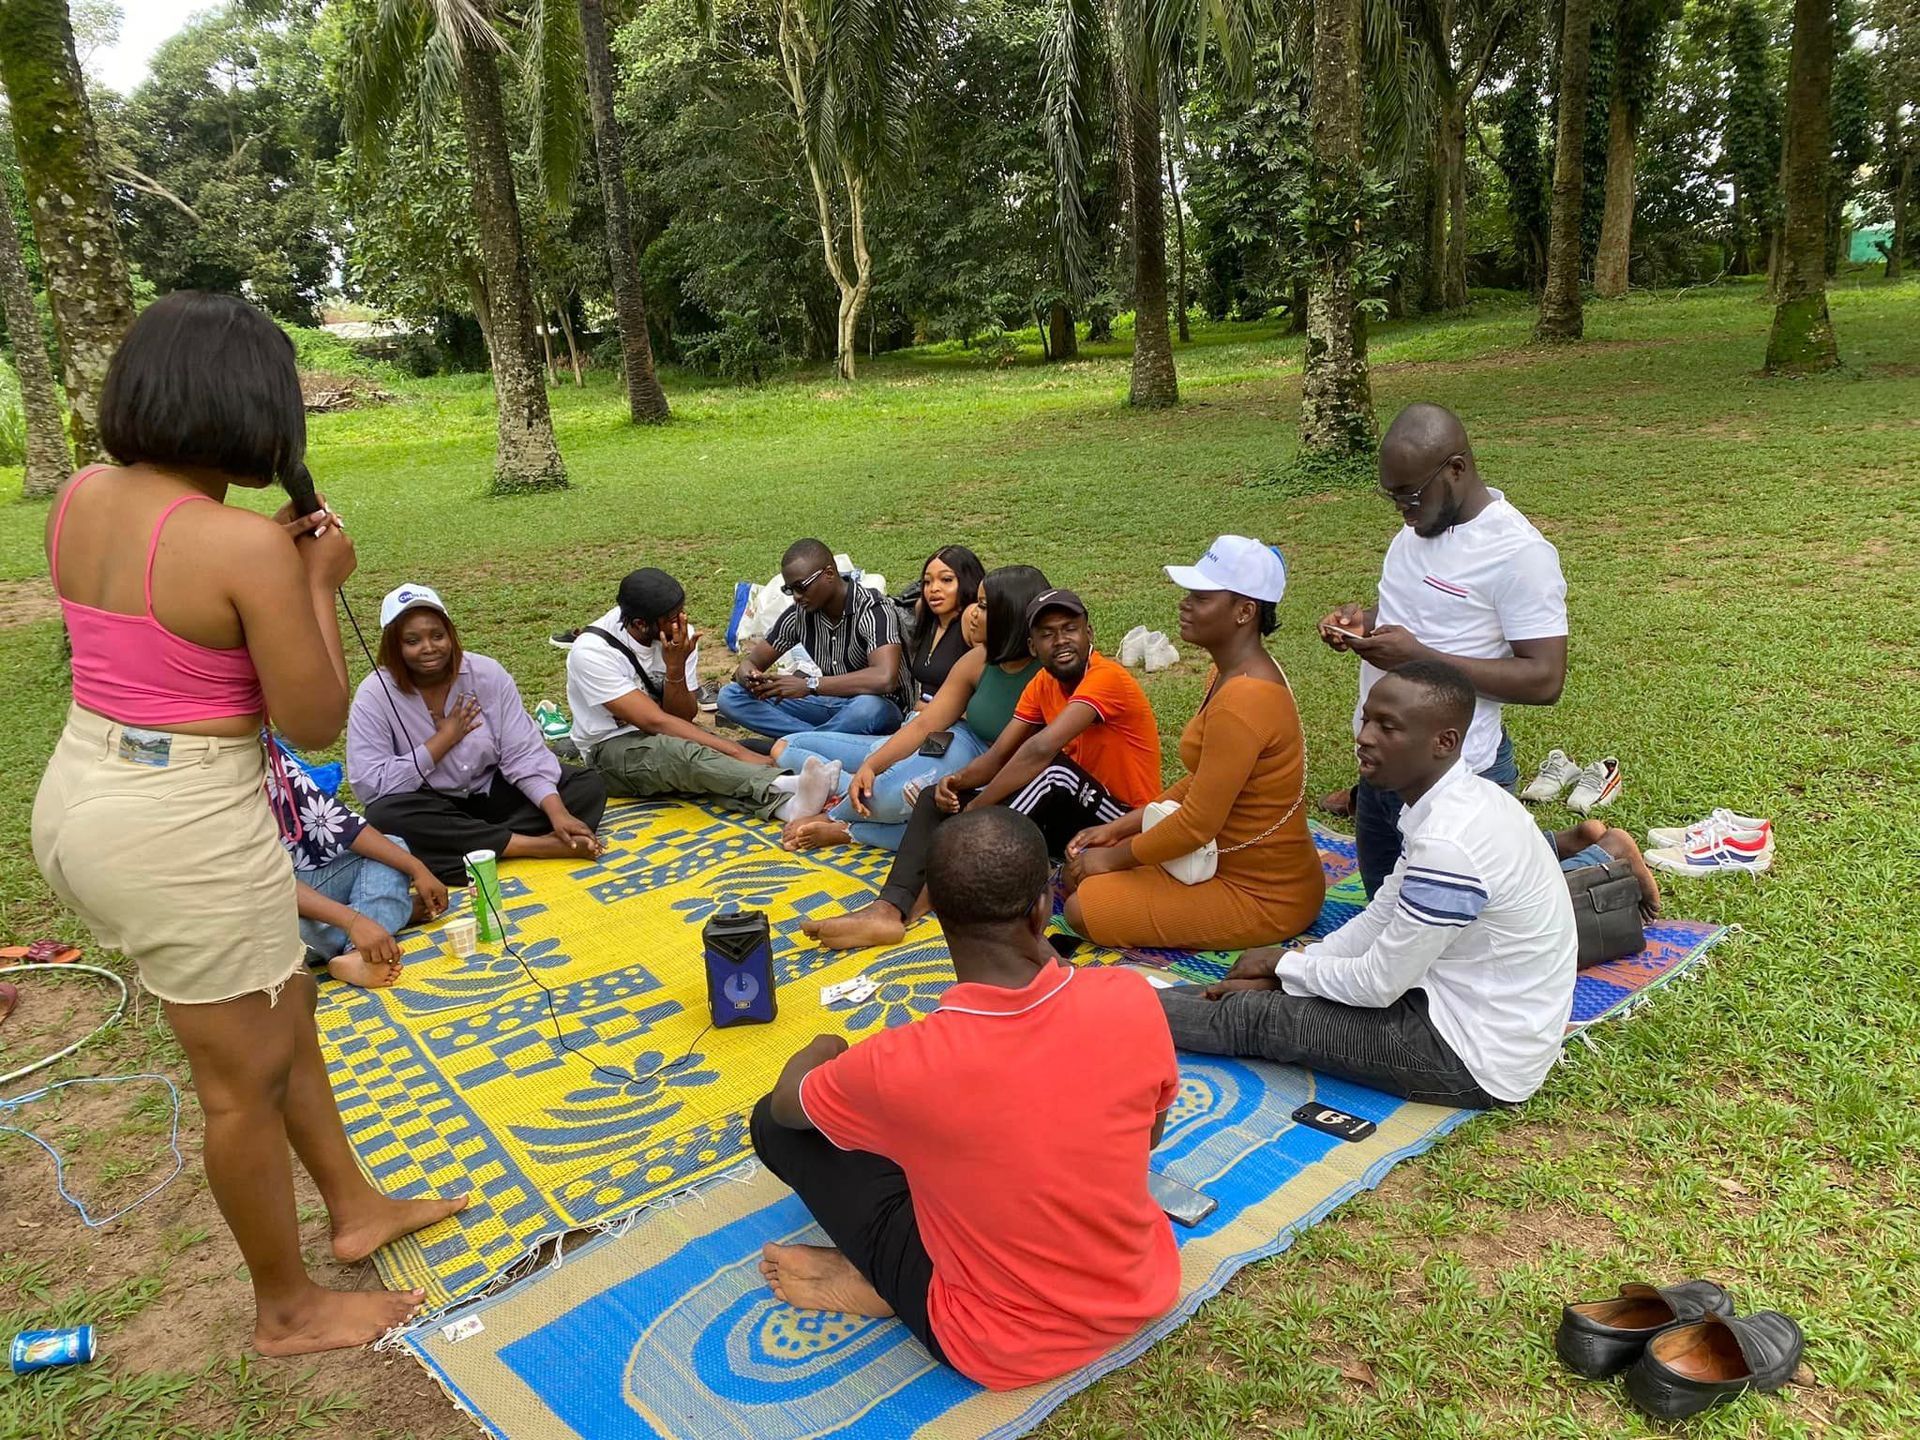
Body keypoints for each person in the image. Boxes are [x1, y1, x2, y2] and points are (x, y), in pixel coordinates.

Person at [31, 292, 464, 1356]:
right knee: (241, 1085)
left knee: (284, 1021)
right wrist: (314, 580)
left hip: (90, 783)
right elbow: (316, 722)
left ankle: (355, 1209)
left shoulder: (82, 495)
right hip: (180, 821)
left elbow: (168, 627)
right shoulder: (246, 547)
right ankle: (287, 1308)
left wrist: (269, 570)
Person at [751, 807, 1180, 1390]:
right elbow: (1143, 1139)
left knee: (776, 1128)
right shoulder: (1128, 996)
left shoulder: (898, 1065)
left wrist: (825, 1045)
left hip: (998, 1341)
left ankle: (887, 1286)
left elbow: (785, 1109)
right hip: (1140, 1285)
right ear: (1042, 908)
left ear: (934, 914)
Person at [1158, 661, 1577, 1108]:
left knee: (1253, 1019)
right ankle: (1130, 1003)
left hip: (1471, 1058)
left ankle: (1104, 1011)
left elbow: (1379, 983)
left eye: (1388, 727)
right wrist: (1295, 970)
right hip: (1450, 1002)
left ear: (1444, 742)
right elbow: (1381, 914)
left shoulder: (1449, 845)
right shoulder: (1457, 803)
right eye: (1367, 718)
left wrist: (1284, 968)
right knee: (1268, 994)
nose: (1364, 736)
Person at [1322, 402, 1605, 898]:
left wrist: (1418, 658)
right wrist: (1360, 626)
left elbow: (1544, 678)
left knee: (1470, 942)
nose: (1402, 512)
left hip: (1459, 778)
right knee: (1386, 917)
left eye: (1409, 496)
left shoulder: (1519, 554)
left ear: (1456, 469)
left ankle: (1601, 863)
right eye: (1391, 497)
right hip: (1383, 772)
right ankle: (1556, 850)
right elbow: (1418, 619)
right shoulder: (1413, 532)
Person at [803, 588, 1162, 951]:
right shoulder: (1042, 683)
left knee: (1052, 774)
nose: (1061, 641)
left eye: (1070, 629)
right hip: (1068, 817)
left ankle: (922, 904)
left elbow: (1039, 749)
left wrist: (977, 810)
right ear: (1033, 646)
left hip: (1120, 818)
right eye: (1048, 634)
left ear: (1090, 634)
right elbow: (1000, 754)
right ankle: (888, 907)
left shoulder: (1106, 678)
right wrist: (957, 783)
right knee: (934, 797)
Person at [1064, 536, 1325, 950]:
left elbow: (1196, 825)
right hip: (1215, 862)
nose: (1185, 605)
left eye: (1201, 597)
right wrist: (1119, 828)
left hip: (1262, 894)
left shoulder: (1243, 700)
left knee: (1082, 907)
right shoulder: (1230, 674)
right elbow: (1201, 784)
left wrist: (1114, 856)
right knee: (1078, 872)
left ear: (1244, 612)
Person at [771, 565, 1051, 851]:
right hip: (955, 744)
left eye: (982, 605)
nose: (973, 614)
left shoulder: (1049, 672)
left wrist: (835, 813)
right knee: (788, 747)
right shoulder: (978, 660)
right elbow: (923, 724)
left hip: (997, 775)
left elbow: (1025, 756)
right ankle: (843, 787)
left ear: (1010, 614)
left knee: (931, 820)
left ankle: (843, 822)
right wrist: (873, 765)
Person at [347, 584, 608, 886]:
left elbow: (522, 753)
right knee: (384, 816)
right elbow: (370, 785)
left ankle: (473, 850)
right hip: (432, 804)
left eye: (437, 635)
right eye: (412, 640)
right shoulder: (375, 694)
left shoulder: (486, 673)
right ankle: (533, 846)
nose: (429, 647)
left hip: (491, 792)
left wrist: (558, 813)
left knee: (586, 786)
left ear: (451, 635)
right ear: (394, 646)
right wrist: (442, 741)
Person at [565, 567, 842, 823]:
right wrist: (737, 751)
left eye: (681, 613)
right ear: (640, 624)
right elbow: (655, 723)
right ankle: (787, 784)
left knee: (705, 770)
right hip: (609, 752)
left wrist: (674, 668)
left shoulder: (681, 637)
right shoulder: (592, 652)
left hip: (666, 733)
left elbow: (682, 716)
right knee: (686, 756)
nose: (681, 623)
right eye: (671, 619)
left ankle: (788, 808)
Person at [265, 742, 449, 989]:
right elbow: (267, 881)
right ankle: (389, 912)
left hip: (300, 882)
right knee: (272, 937)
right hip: (254, 911)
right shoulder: (209, 785)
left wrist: (418, 869)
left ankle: (355, 952)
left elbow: (340, 824)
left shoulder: (264, 752)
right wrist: (353, 920)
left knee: (390, 849)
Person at [717, 539, 910, 739]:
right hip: (829, 704)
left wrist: (810, 684)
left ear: (828, 574)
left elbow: (884, 678)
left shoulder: (873, 609)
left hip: (881, 709)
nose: (796, 597)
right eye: (790, 589)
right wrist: (750, 677)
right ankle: (813, 740)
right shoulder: (799, 615)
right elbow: (750, 663)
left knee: (868, 707)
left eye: (801, 587)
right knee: (731, 696)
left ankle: (804, 742)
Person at [903, 545, 984, 705]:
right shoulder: (925, 613)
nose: (933, 589)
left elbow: (988, 690)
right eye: (927, 582)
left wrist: (932, 713)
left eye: (946, 580)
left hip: (958, 723)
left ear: (967, 580)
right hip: (920, 719)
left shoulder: (971, 617)